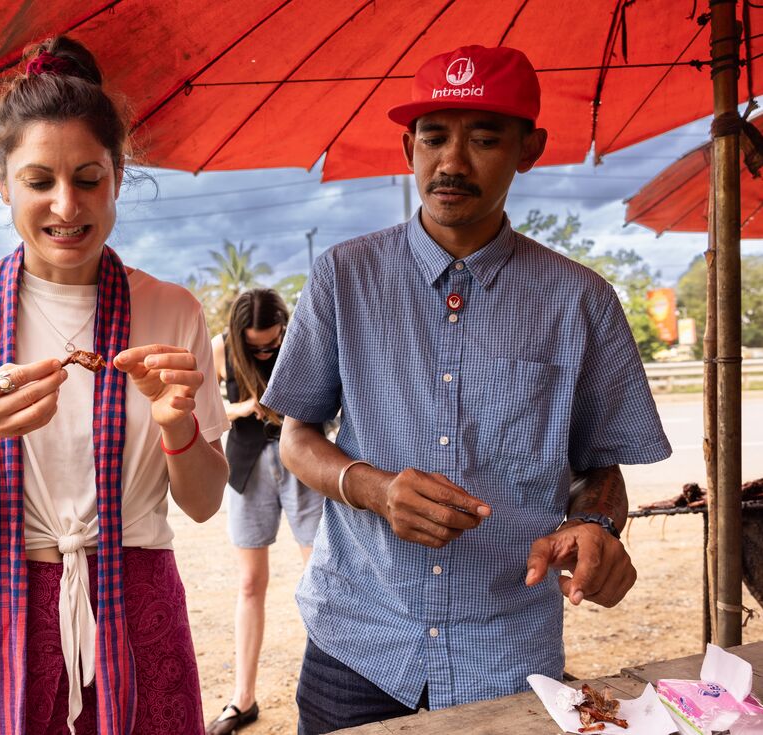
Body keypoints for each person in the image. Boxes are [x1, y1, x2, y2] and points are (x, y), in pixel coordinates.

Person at [259, 45, 672, 734]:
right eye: (434, 136)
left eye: (484, 138)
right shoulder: (343, 277)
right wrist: (373, 487)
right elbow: (295, 439)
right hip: (359, 641)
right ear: (408, 146)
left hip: (508, 652)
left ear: (529, 149)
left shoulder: (580, 302)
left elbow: (602, 467)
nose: (452, 161)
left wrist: (597, 526)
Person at [0, 36, 229, 735]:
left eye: (89, 177)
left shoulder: (171, 311)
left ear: (120, 174)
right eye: (39, 180)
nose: (66, 206)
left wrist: (176, 427)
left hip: (137, 615)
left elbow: (202, 502)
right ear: (3, 181)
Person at [205, 289, 323, 735]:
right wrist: (242, 408)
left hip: (302, 464)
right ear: (239, 337)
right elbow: (208, 407)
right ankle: (243, 699)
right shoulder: (219, 347)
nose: (264, 350)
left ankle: (323, 690)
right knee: (250, 582)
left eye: (271, 343)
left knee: (319, 579)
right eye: (255, 347)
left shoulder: (301, 339)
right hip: (248, 467)